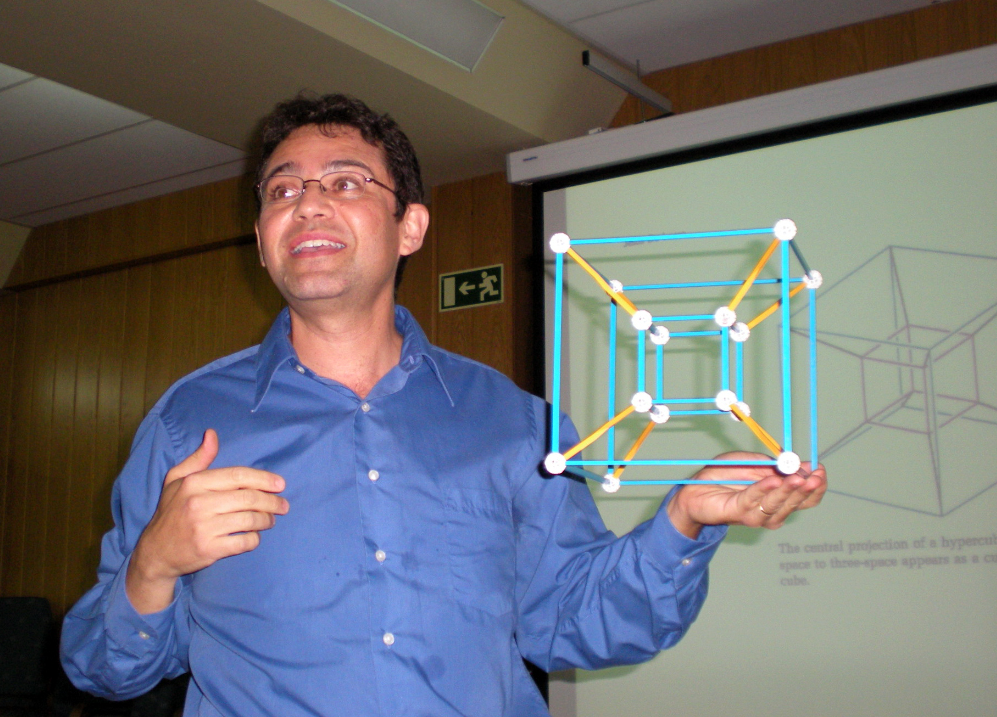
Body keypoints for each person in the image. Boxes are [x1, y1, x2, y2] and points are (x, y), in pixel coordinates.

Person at [61, 93, 826, 716]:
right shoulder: (186, 424)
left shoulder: (514, 422)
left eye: (347, 182)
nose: (309, 203)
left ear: (411, 227)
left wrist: (685, 517)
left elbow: (576, 622)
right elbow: (102, 667)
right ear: (262, 242)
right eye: (283, 189)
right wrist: (152, 566)